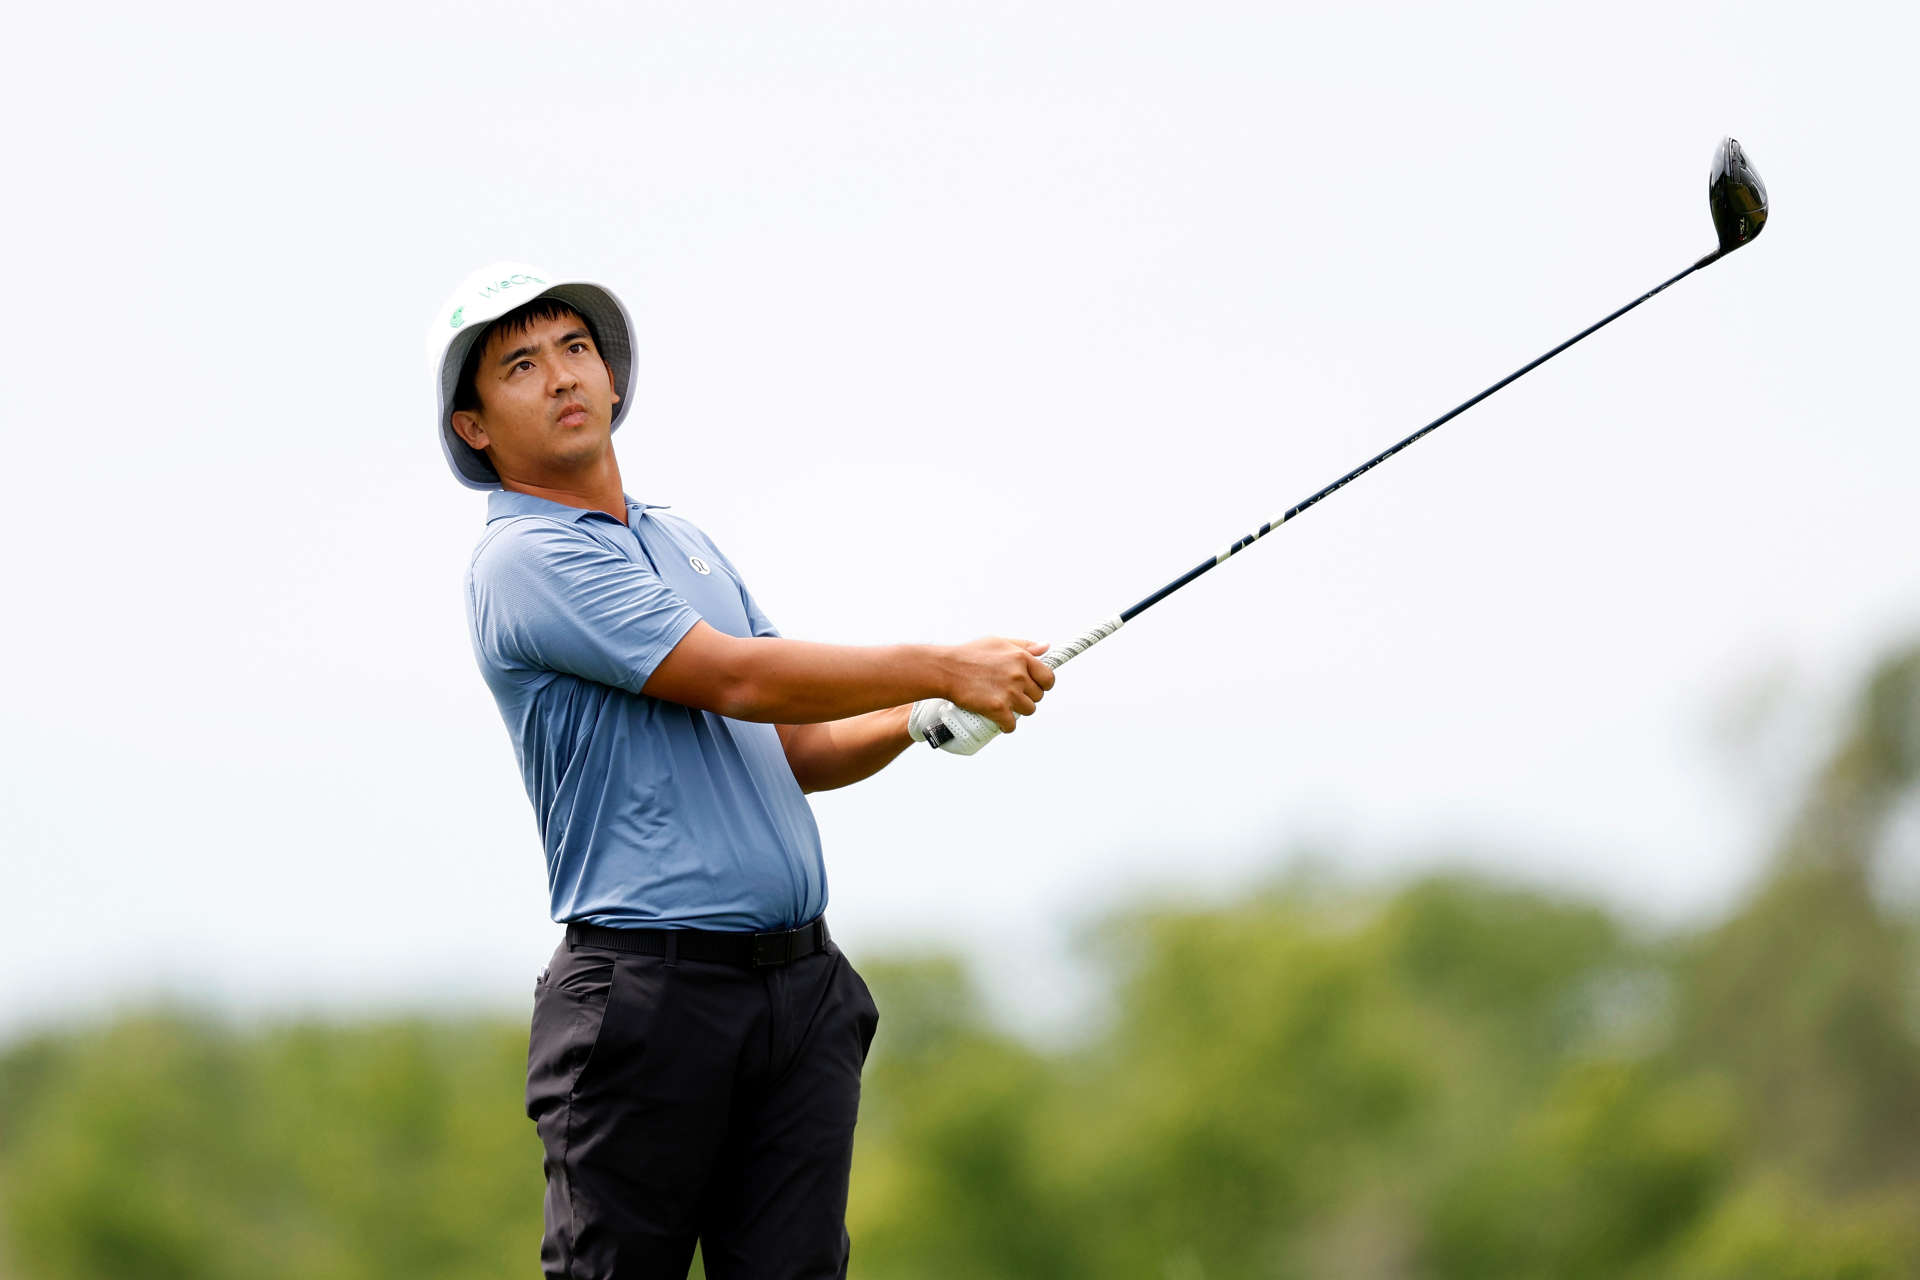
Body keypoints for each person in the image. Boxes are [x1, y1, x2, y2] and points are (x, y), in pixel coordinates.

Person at [427, 263, 1053, 1280]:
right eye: (520, 364)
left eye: (577, 348)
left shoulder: (682, 541)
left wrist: (917, 718)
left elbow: (793, 744)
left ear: (613, 379)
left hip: (795, 992)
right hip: (646, 998)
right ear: (475, 427)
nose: (561, 376)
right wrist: (943, 662)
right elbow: (738, 678)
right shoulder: (524, 559)